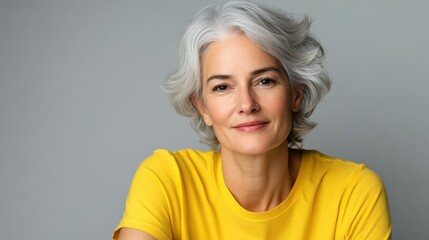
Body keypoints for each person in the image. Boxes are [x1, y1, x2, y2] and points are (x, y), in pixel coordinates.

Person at [113, 1, 391, 239]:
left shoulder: (353, 191)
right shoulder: (167, 179)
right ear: (203, 108)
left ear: (296, 94)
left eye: (264, 81)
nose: (246, 104)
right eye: (222, 87)